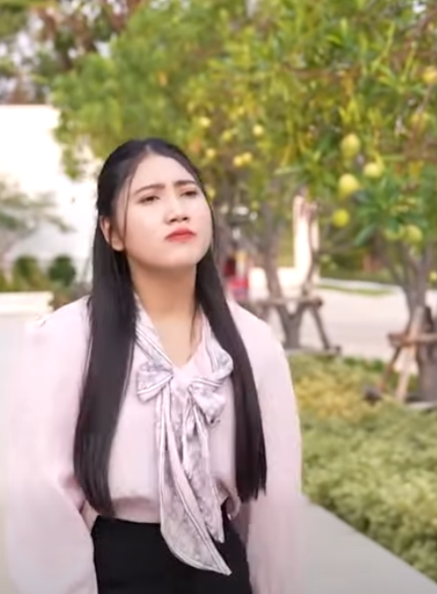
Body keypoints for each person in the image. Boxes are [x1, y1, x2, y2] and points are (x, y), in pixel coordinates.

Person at [5, 138, 302, 594]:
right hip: (113, 571)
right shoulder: (67, 340)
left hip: (222, 574)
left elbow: (273, 504)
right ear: (112, 232)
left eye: (188, 193)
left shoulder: (252, 343)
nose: (177, 211)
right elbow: (41, 498)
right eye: (149, 198)